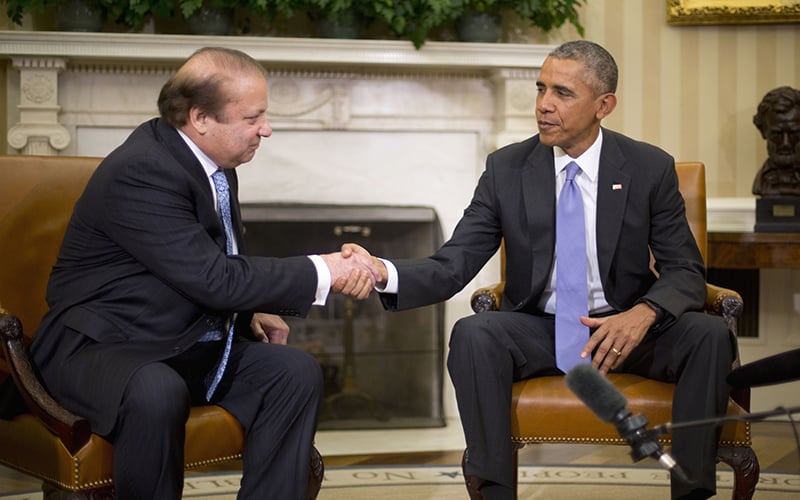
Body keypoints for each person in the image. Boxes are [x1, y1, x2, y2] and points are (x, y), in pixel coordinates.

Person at [360, 40, 736, 500]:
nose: (543, 106)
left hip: (628, 330)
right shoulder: (507, 169)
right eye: (541, 90)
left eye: (562, 93)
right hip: (542, 327)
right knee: (473, 333)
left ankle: (692, 490)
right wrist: (385, 272)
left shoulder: (648, 167)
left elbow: (685, 270)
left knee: (709, 335)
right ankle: (494, 491)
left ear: (604, 105)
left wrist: (642, 315)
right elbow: (454, 262)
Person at [25, 47, 379, 500]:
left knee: (293, 371)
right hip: (103, 348)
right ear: (200, 118)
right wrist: (326, 269)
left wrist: (250, 309)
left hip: (178, 339)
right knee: (158, 389)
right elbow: (213, 278)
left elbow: (206, 265)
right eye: (253, 117)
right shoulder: (143, 170)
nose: (266, 129)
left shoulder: (212, 163)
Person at [751, 86, 800, 196]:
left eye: (794, 134)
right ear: (763, 131)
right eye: (777, 135)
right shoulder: (762, 182)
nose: (786, 143)